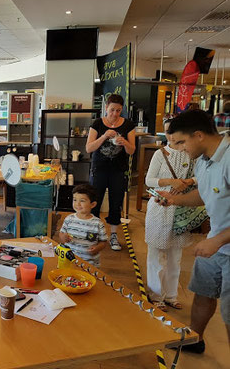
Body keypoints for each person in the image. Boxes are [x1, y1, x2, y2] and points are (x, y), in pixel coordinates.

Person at [156, 110, 229, 353]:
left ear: (198, 135)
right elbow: (204, 194)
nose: (177, 148)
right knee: (203, 292)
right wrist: (174, 200)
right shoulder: (203, 162)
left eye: (181, 142)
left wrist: (217, 240)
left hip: (222, 242)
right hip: (216, 242)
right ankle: (194, 340)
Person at [144, 119, 196, 312]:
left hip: (181, 209)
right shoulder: (159, 154)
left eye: (174, 132)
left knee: (176, 255)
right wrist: (172, 182)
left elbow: (200, 176)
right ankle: (156, 295)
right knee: (156, 254)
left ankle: (171, 295)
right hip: (160, 207)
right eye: (167, 132)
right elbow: (149, 180)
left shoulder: (191, 154)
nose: (171, 136)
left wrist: (189, 181)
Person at [86, 94, 136, 251]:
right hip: (99, 169)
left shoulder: (128, 125)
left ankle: (113, 235)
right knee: (94, 202)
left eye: (118, 110)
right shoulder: (97, 124)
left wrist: (125, 142)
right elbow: (89, 148)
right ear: (106, 107)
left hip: (118, 170)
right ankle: (93, 235)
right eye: (112, 109)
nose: (115, 114)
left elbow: (131, 150)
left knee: (116, 202)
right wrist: (104, 136)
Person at [58, 184, 108, 267]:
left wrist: (97, 248)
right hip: (69, 261)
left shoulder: (98, 223)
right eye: (75, 200)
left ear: (92, 204)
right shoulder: (69, 219)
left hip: (89, 263)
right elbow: (61, 233)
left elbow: (103, 241)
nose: (77, 204)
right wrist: (63, 237)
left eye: (82, 201)